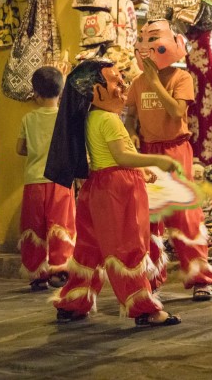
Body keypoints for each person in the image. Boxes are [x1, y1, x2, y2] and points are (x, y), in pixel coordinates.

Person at [44, 60, 182, 327]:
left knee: (88, 251)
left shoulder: (94, 117)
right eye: (116, 82)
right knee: (127, 249)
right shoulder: (107, 119)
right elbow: (121, 156)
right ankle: (144, 309)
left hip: (97, 188)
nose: (124, 86)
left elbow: (109, 157)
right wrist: (156, 162)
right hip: (117, 191)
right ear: (96, 91)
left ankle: (73, 303)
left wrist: (140, 171)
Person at [126, 19, 212, 301]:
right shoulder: (137, 83)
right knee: (149, 217)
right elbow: (129, 117)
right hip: (149, 152)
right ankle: (152, 279)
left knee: (184, 214)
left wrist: (154, 82)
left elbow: (177, 113)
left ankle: (201, 278)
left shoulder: (182, 78)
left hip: (176, 150)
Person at [16, 67, 76, 292]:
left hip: (33, 180)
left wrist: (36, 150)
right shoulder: (66, 119)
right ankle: (60, 269)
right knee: (61, 225)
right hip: (60, 180)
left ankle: (37, 273)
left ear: (36, 93)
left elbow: (20, 148)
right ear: (61, 92)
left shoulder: (28, 118)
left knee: (35, 226)